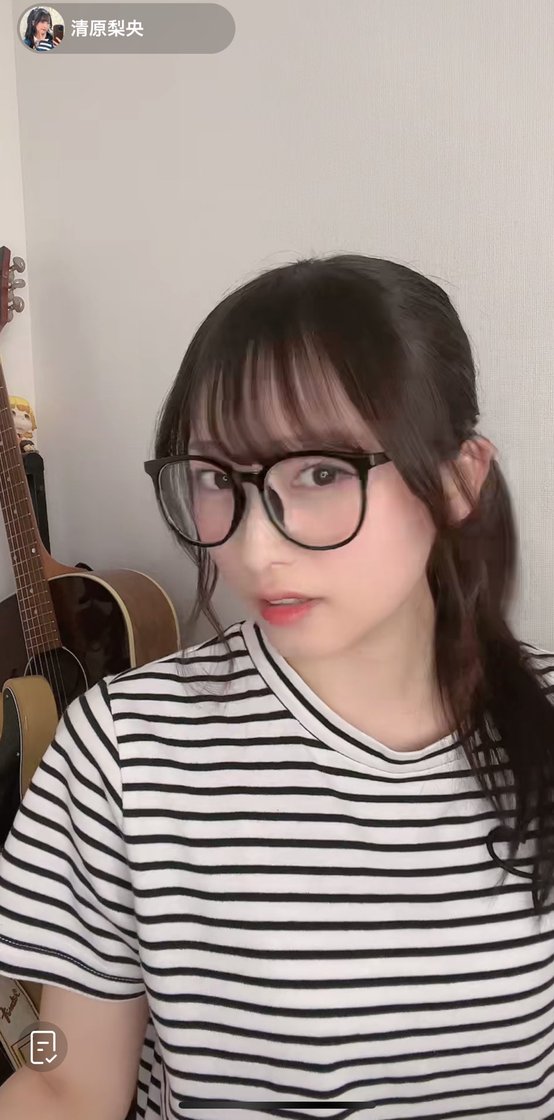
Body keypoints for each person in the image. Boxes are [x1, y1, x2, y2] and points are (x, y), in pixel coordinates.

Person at [0, 253, 553, 1120]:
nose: (255, 548)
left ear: (458, 481)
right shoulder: (125, 752)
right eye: (217, 480)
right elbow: (62, 1076)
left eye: (322, 473)